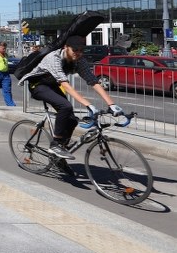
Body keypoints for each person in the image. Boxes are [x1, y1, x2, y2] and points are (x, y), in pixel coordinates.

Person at [19, 35, 123, 168]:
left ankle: (59, 155)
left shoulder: (79, 60)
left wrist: (112, 104)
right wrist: (89, 105)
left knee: (72, 119)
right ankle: (56, 144)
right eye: (75, 50)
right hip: (38, 85)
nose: (78, 53)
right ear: (66, 47)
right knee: (65, 106)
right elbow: (66, 86)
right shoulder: (53, 58)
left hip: (52, 85)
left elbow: (93, 81)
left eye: (81, 50)